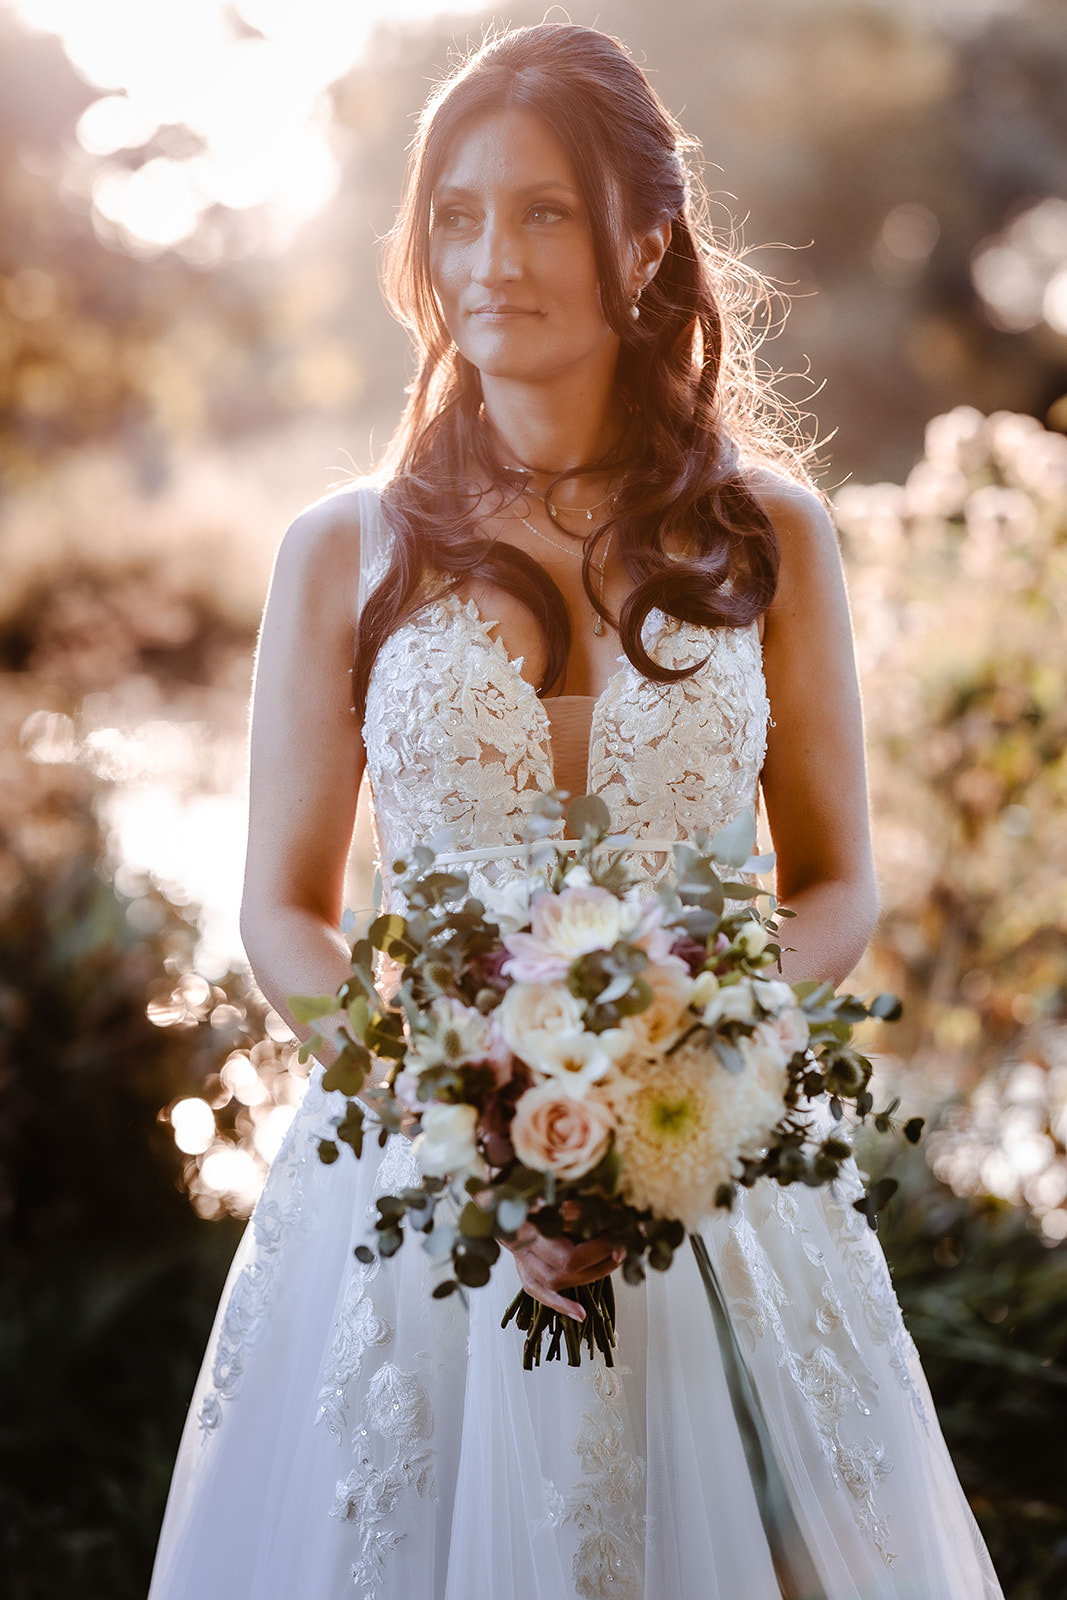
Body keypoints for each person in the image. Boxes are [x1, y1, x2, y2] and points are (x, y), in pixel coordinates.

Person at [148, 23, 1004, 1600]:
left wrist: (694, 1060)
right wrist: (462, 1114)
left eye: (542, 210)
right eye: (458, 215)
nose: (491, 257)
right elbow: (284, 908)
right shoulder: (339, 552)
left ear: (644, 236)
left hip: (711, 1165)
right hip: (413, 1180)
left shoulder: (775, 538)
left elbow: (833, 886)